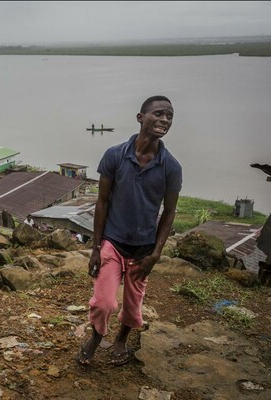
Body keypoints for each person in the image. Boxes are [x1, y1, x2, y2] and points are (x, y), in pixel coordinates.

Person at [76, 95, 182, 368]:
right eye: (158, 113)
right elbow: (102, 201)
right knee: (104, 303)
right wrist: (96, 247)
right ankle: (97, 336)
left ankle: (121, 339)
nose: (164, 120)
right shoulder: (114, 156)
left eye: (169, 116)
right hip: (113, 242)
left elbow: (169, 213)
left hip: (143, 250)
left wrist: (156, 254)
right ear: (140, 117)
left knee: (133, 305)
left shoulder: (171, 167)